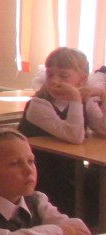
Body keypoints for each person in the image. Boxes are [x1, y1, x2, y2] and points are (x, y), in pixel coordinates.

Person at [19, 47, 105, 215]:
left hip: (70, 170)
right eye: (50, 75)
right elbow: (75, 136)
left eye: (64, 76)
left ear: (82, 80)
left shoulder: (84, 102)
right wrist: (75, 98)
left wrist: (103, 94)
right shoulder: (38, 105)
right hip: (41, 172)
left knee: (98, 181)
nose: (55, 81)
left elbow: (103, 130)